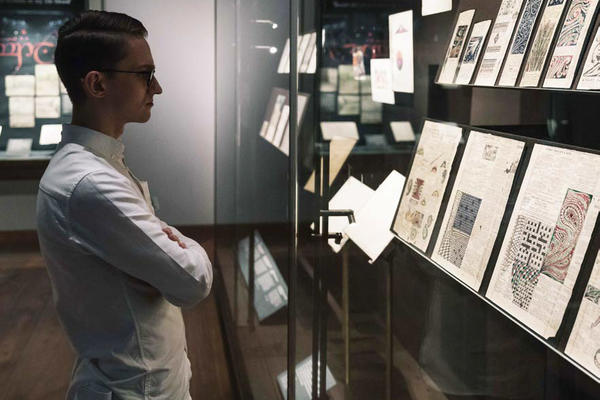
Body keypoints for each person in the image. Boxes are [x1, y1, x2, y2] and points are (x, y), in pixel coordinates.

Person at [36, 10, 213, 400]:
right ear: (97, 84)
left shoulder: (94, 167)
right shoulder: (91, 183)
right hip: (137, 389)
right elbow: (191, 281)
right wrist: (189, 245)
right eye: (145, 74)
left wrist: (166, 240)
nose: (158, 88)